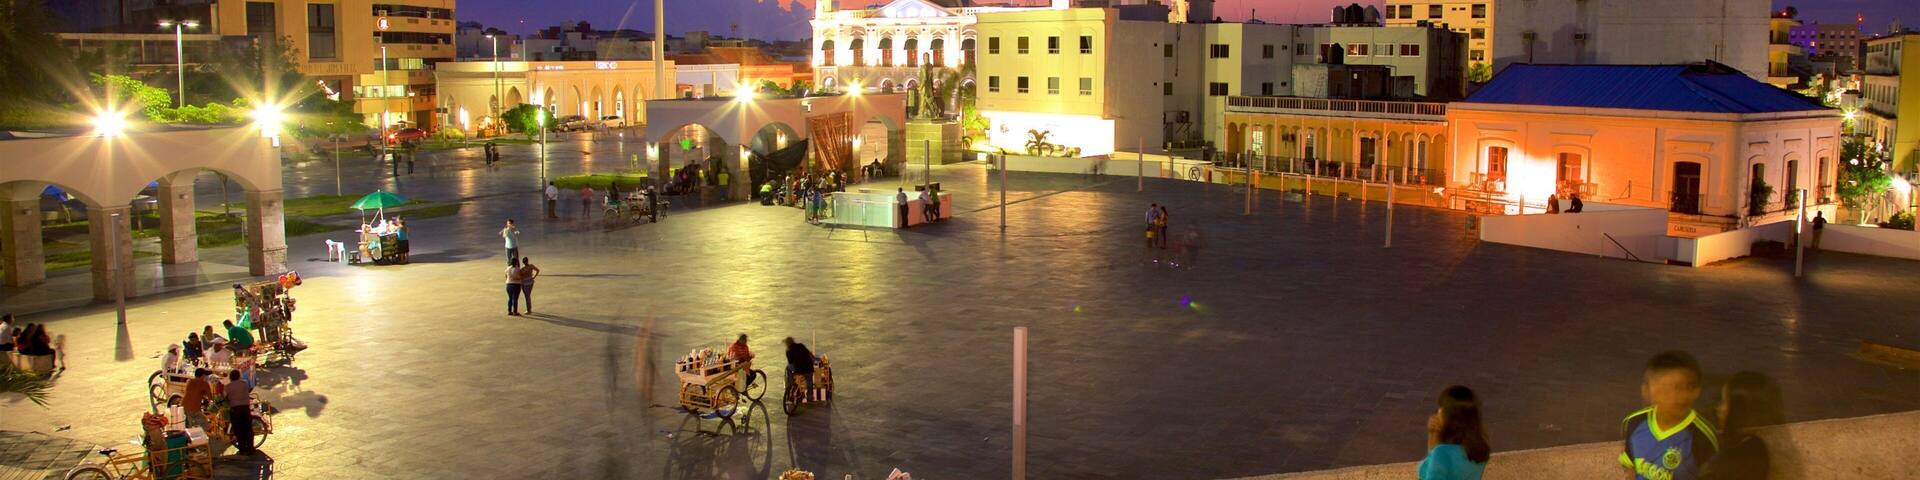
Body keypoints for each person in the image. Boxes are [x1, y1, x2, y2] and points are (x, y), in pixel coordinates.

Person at [1622, 351, 1717, 480]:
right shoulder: (1634, 422)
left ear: (1694, 391)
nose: (1673, 397)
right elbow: (1630, 466)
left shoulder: (1703, 436)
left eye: (1679, 388)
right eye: (1664, 390)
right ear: (1646, 391)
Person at [1700, 372, 1783, 480]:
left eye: (1724, 402)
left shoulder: (1745, 453)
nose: (1719, 408)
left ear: (1738, 409)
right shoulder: (1750, 445)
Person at [1420, 385, 1491, 480]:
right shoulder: (1481, 449)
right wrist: (1433, 433)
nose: (1437, 412)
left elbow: (1434, 463)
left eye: (1441, 408)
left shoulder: (1442, 452)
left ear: (1450, 416)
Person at [224, 370, 257, 455]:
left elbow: (225, 396)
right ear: (239, 376)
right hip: (245, 408)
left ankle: (242, 448)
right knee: (248, 429)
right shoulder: (244, 383)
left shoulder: (228, 387)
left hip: (235, 410)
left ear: (230, 377)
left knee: (238, 430)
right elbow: (249, 389)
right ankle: (250, 448)